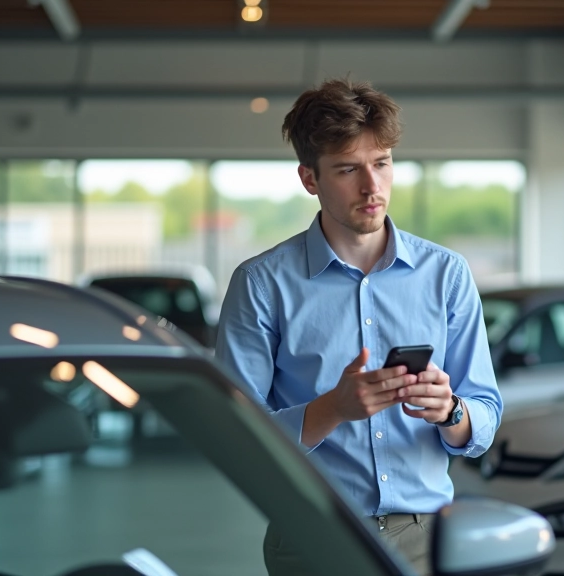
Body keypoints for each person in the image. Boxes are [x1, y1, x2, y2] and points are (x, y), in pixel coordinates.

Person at [214, 77, 502, 576]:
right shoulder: (261, 285)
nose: (372, 187)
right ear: (310, 179)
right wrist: (332, 409)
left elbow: (485, 415)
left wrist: (450, 410)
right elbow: (233, 439)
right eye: (348, 169)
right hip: (313, 535)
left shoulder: (447, 275)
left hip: (427, 536)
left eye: (382, 164)